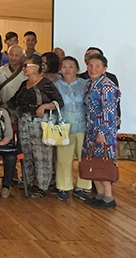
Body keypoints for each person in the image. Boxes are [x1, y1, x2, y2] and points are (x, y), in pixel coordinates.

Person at [8, 55, 64, 199]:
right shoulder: (23, 84)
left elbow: (59, 102)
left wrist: (45, 106)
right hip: (24, 122)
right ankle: (29, 181)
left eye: (27, 65)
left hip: (40, 122)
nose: (24, 68)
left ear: (37, 68)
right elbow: (13, 102)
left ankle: (42, 185)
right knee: (26, 152)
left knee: (42, 154)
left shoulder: (45, 83)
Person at [83, 54, 121, 209]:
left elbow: (109, 111)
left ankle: (108, 197)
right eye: (90, 65)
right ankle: (99, 194)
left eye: (97, 66)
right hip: (91, 127)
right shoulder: (90, 84)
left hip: (103, 130)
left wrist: (103, 132)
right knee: (93, 160)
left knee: (103, 162)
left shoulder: (107, 86)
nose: (93, 69)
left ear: (104, 68)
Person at [54, 57, 91, 202]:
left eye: (71, 66)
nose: (67, 69)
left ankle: (81, 187)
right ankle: (63, 187)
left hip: (84, 125)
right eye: (64, 66)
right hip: (64, 126)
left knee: (84, 158)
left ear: (77, 68)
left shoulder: (85, 84)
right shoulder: (56, 85)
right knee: (63, 159)